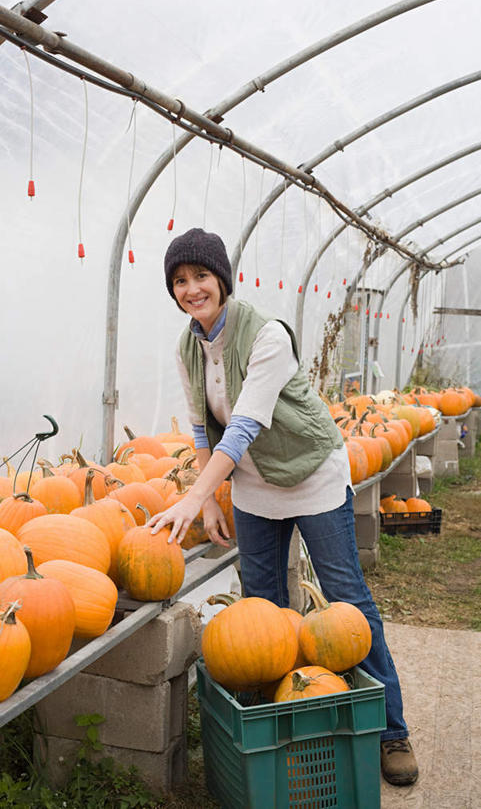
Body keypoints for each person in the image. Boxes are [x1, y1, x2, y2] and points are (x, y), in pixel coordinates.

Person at [149, 227, 418, 787]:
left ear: (221, 279)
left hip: (312, 474)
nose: (192, 289)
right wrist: (213, 497)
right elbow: (202, 425)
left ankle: (391, 730)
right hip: (252, 487)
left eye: (201, 276)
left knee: (345, 599)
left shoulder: (267, 334)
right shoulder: (186, 346)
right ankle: (290, 730)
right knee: (263, 611)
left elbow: (245, 423)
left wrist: (195, 498)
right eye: (180, 281)